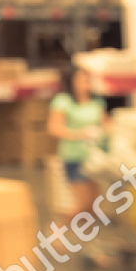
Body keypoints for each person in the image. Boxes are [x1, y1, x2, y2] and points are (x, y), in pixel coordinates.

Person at [47, 64, 107, 221]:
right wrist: (80, 134)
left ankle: (89, 242)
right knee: (82, 204)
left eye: (87, 79)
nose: (85, 83)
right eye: (81, 79)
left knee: (93, 206)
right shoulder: (63, 101)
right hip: (74, 157)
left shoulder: (96, 102)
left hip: (94, 159)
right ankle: (56, 235)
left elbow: (106, 123)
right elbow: (54, 128)